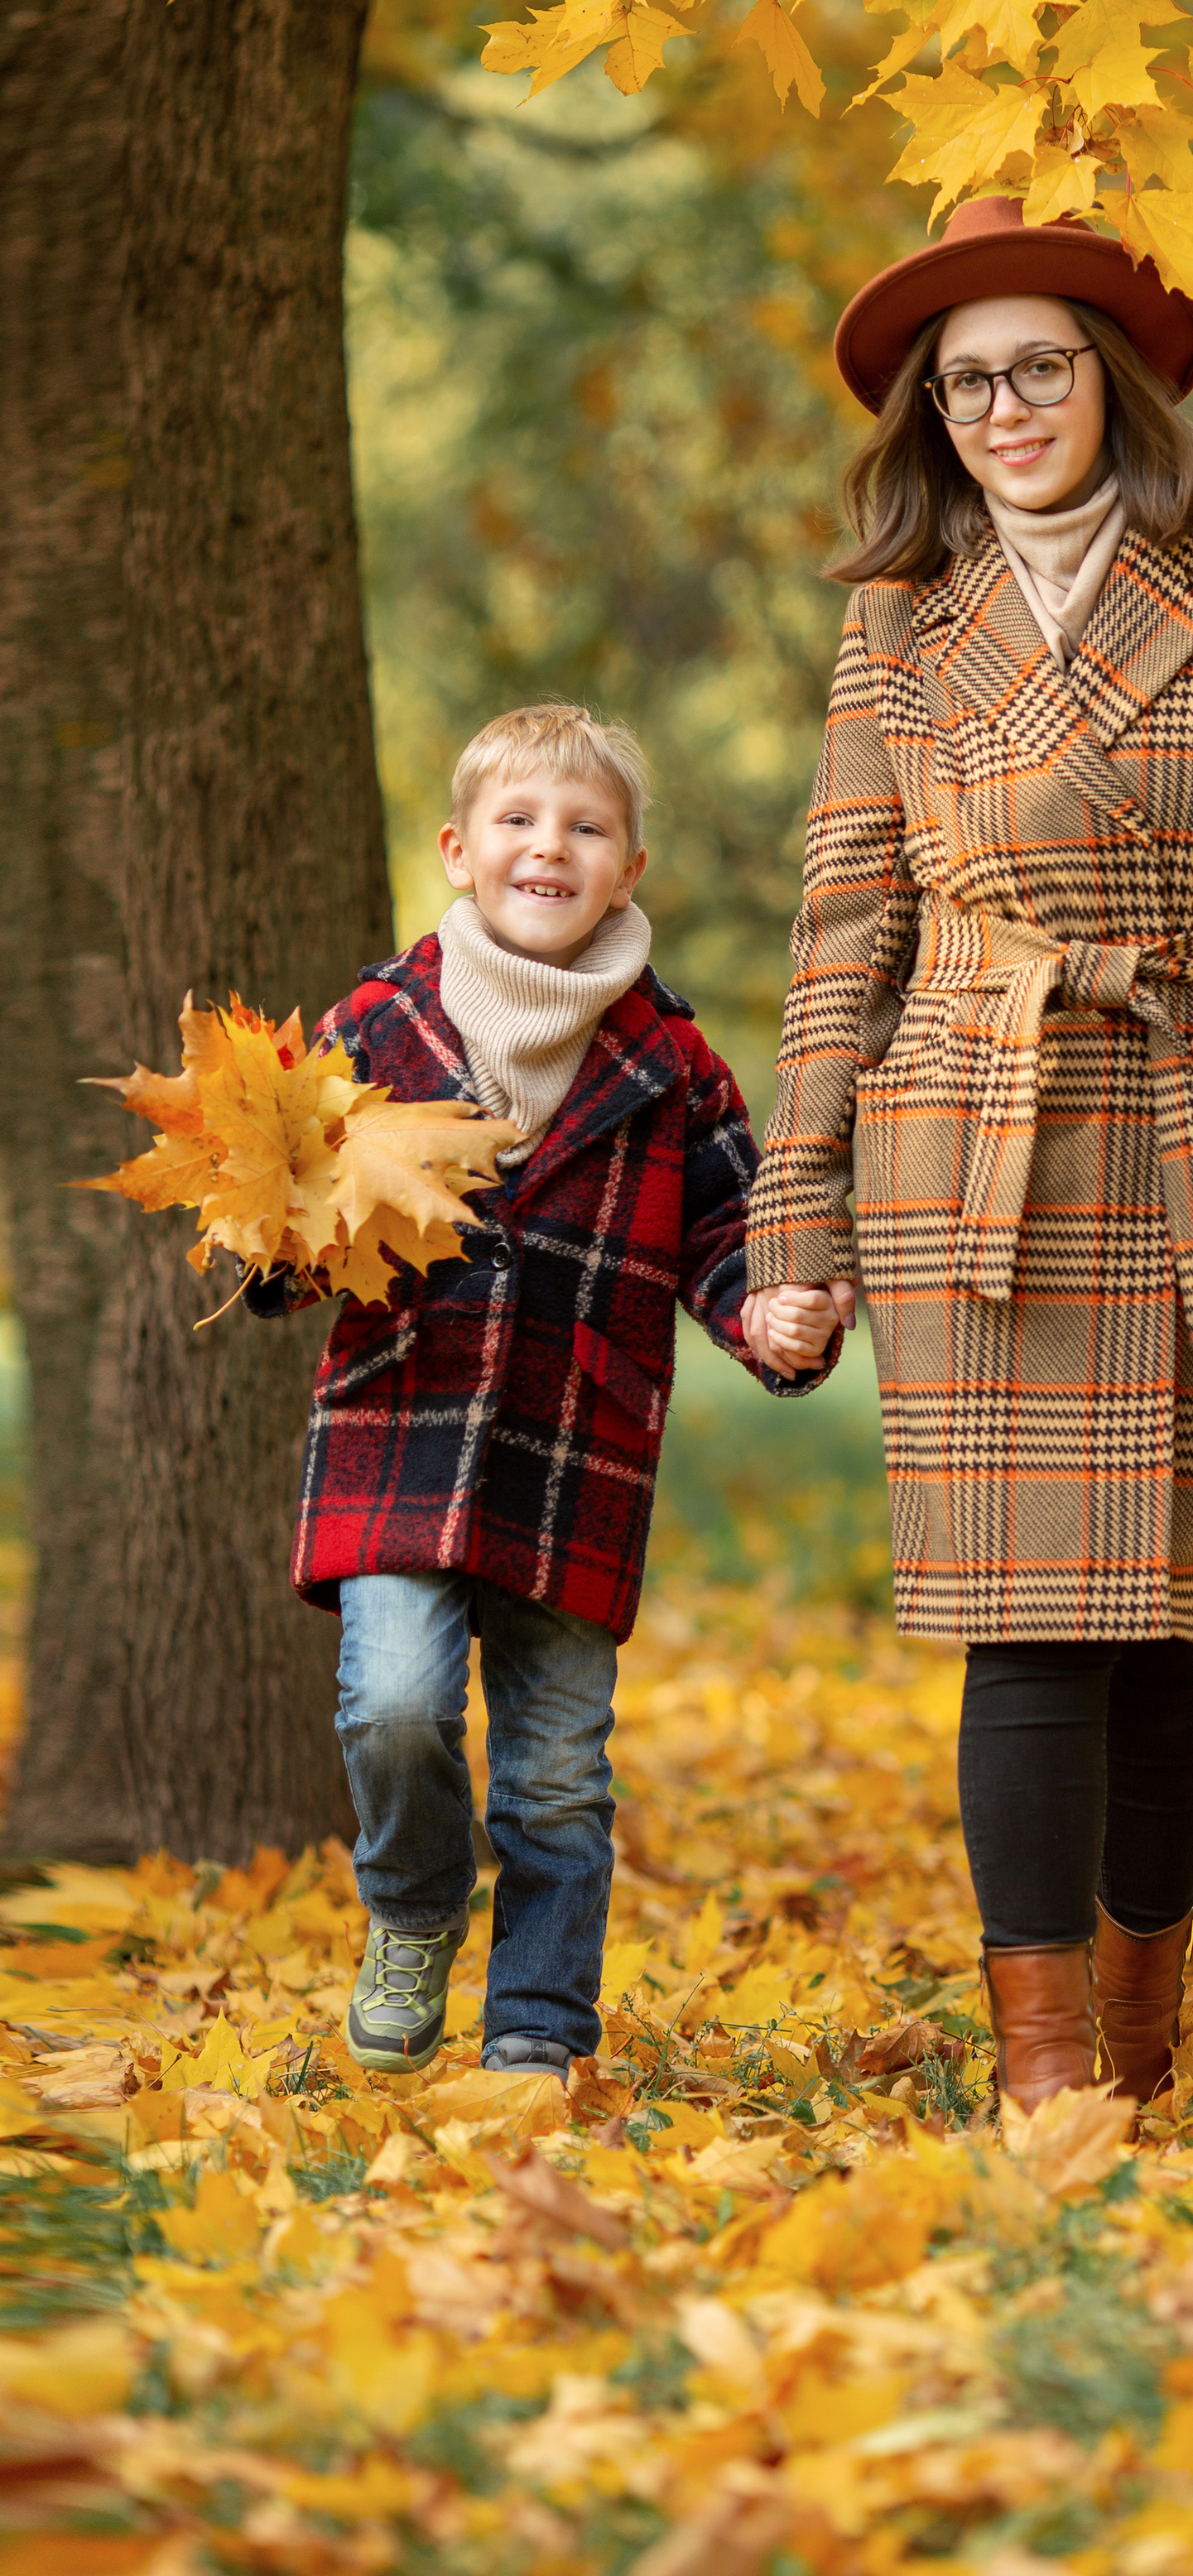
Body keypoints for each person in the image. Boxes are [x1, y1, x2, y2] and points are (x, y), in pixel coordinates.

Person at [745, 197, 1193, 2113]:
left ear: (1113, 375)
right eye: (960, 381)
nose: (997, 407)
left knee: (1177, 1622)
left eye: (1032, 367)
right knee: (1028, 1618)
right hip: (961, 1134)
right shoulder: (896, 617)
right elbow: (841, 929)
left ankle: (1145, 2033)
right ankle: (1048, 2069)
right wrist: (789, 1207)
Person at [254, 704, 841, 2085]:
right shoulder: (373, 1027)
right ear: (460, 849)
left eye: (585, 827)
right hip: (403, 1426)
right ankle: (410, 1913)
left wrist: (772, 1309)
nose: (549, 846)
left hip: (579, 1445)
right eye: (520, 820)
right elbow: (285, 1216)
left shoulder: (673, 1061)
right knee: (394, 1704)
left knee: (559, 1770)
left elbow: (724, 1230)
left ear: (629, 868)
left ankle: (538, 2021)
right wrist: (270, 1237)